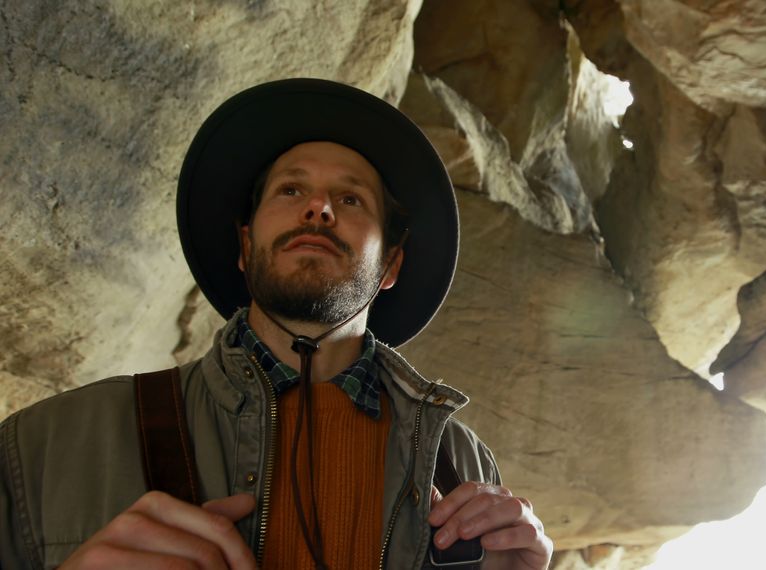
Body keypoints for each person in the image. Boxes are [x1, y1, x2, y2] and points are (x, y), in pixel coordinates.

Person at [0, 79, 552, 569]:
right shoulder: (44, 447)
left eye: (350, 198)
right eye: (291, 190)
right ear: (245, 245)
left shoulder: (460, 463)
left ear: (391, 266)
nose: (318, 208)